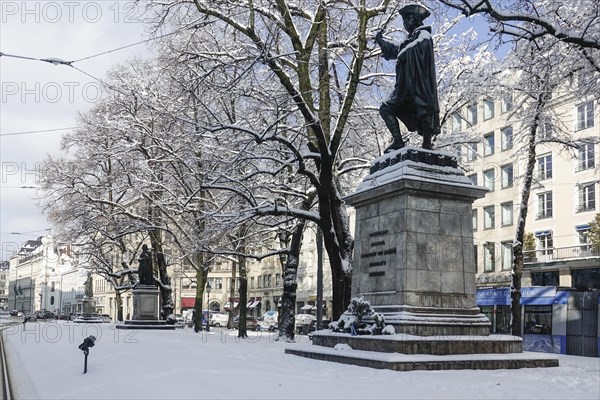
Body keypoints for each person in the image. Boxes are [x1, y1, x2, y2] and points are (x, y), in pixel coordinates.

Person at [375, 4, 441, 152]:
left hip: (419, 85)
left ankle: (426, 143)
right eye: (404, 21)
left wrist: (403, 53)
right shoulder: (411, 39)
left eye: (408, 19)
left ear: (417, 19)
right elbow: (396, 50)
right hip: (405, 87)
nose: (405, 24)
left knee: (423, 110)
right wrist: (381, 41)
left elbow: (415, 48)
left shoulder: (424, 35)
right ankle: (398, 141)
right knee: (385, 108)